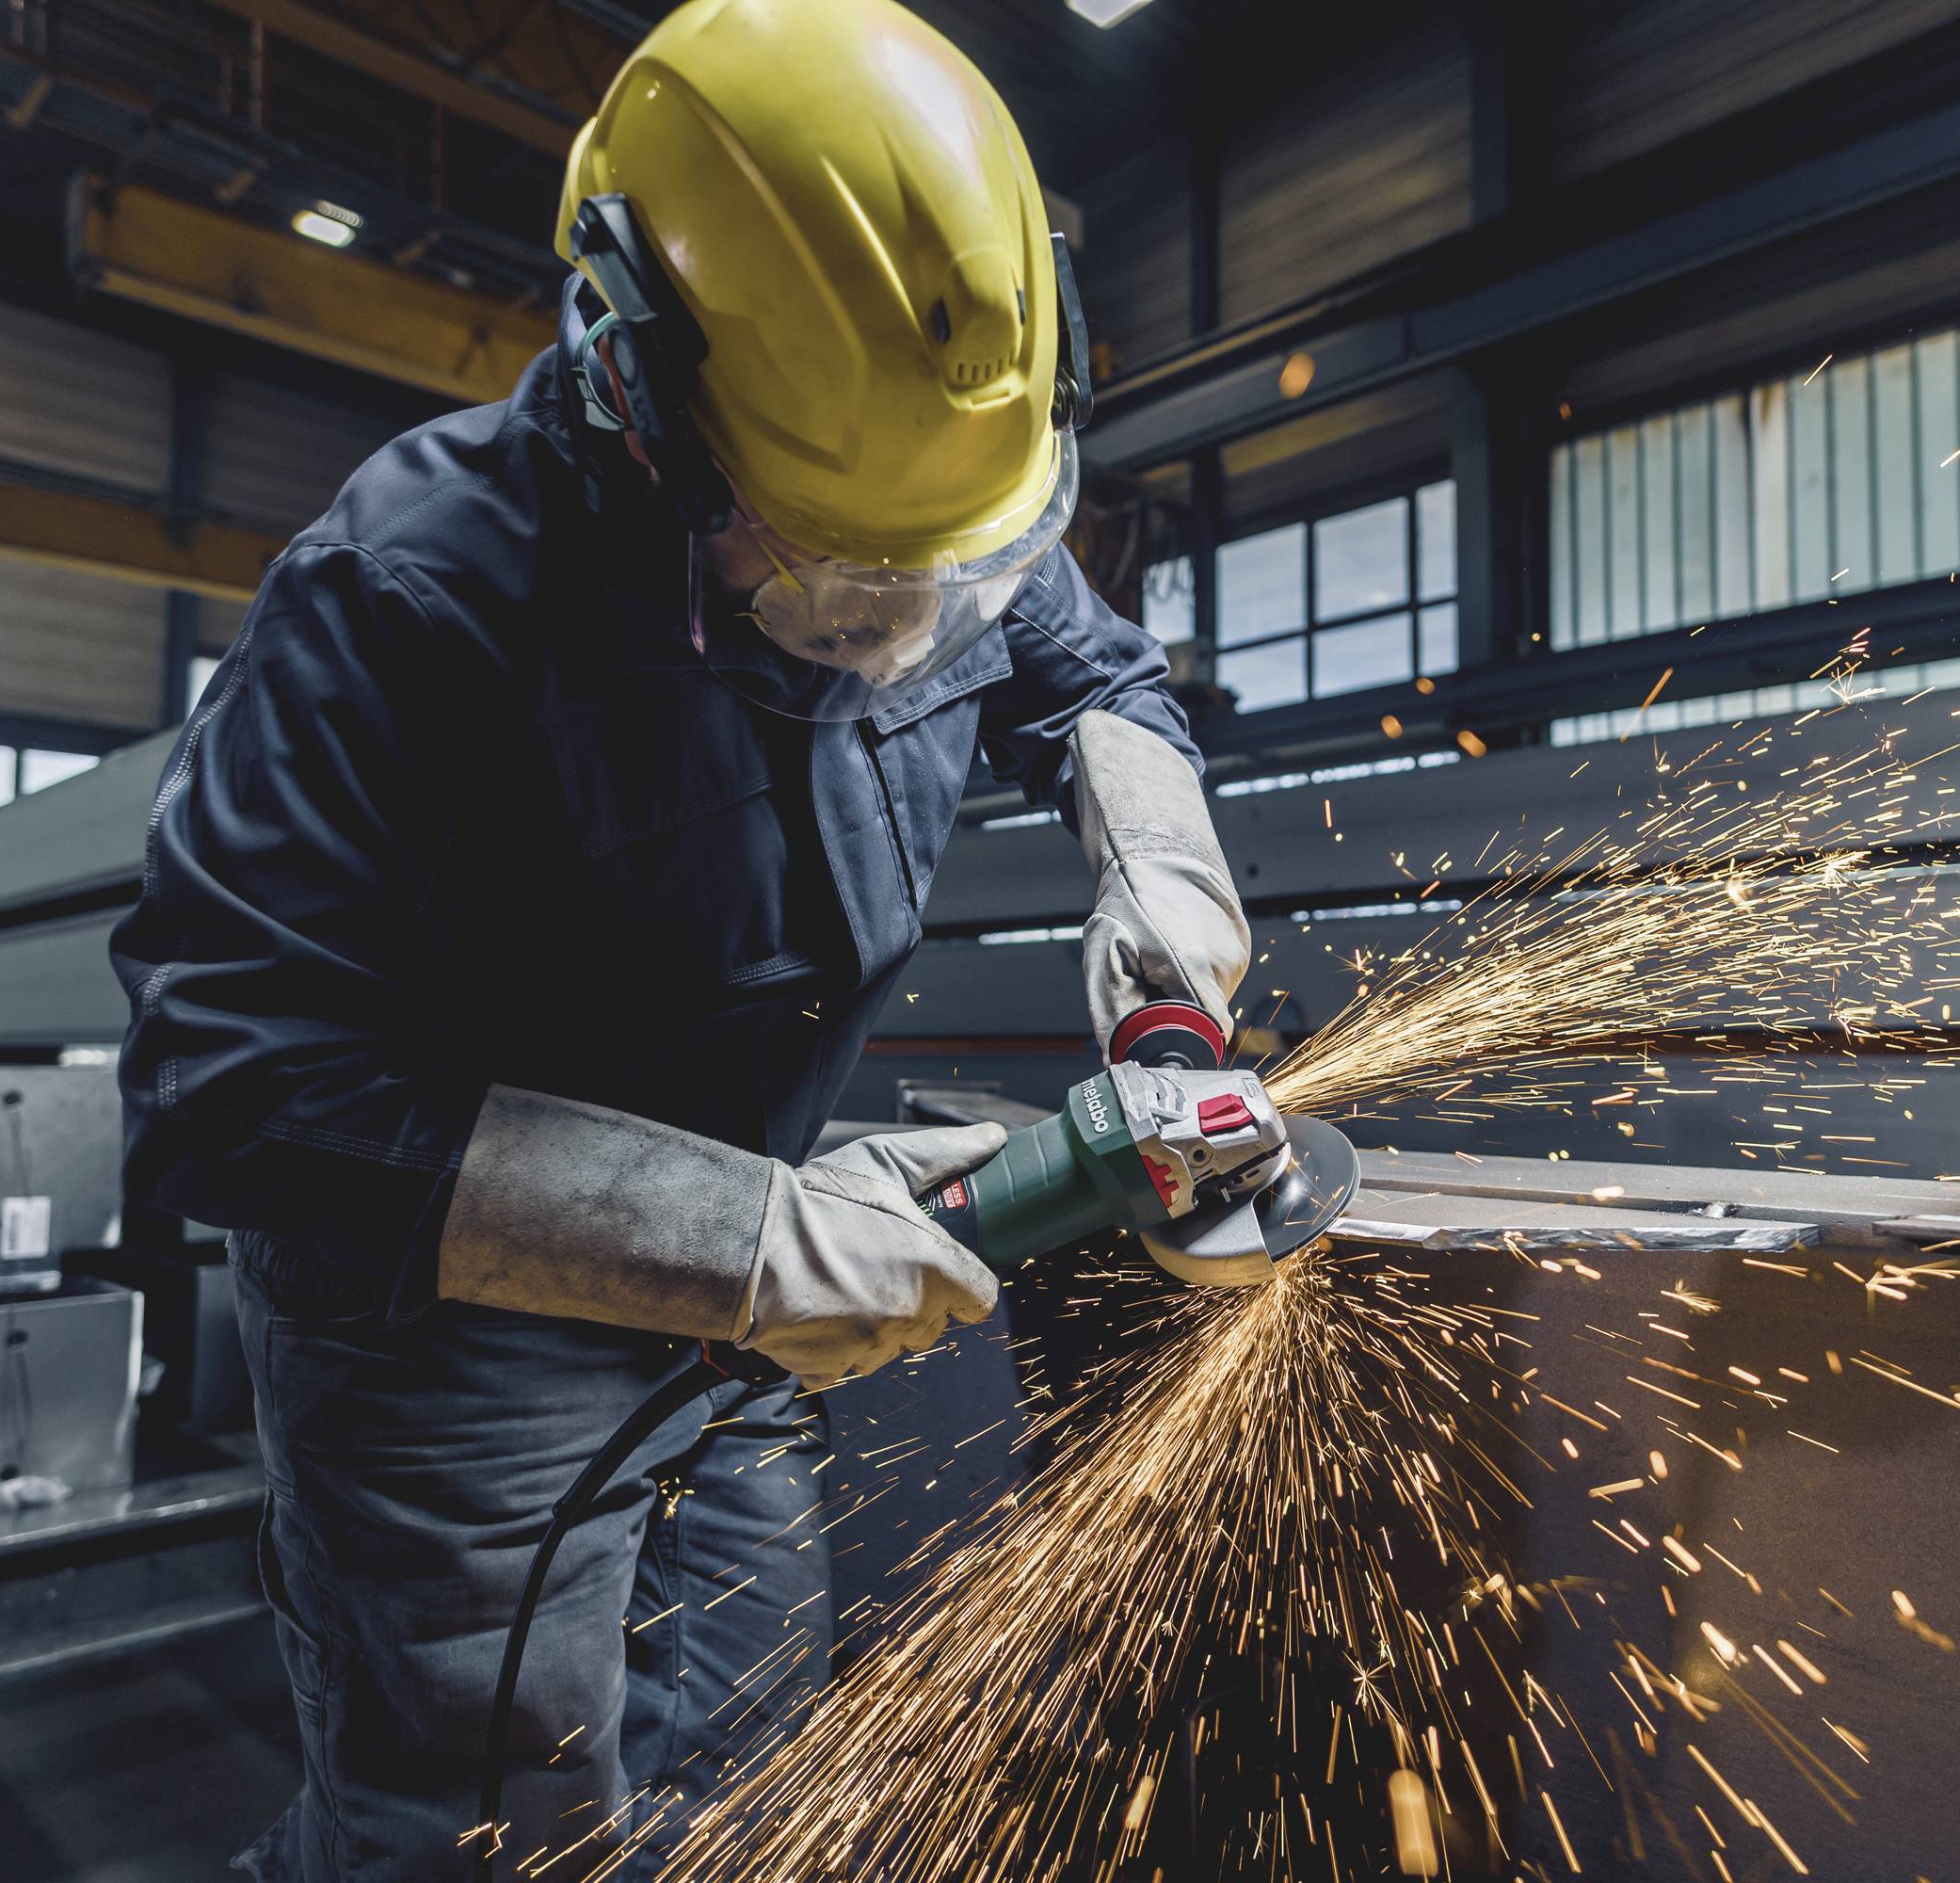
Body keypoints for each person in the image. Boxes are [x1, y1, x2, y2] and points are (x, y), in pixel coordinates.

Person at [107, 0, 1250, 1874]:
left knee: (745, 1764)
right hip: (452, 1352)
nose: (900, 632)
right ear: (636, 377)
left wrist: (1170, 947)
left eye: (942, 579)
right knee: (483, 1830)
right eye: (834, 575)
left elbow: (1093, 680)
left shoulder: (917, 483)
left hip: (740, 1301)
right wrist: (751, 1238)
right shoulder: (405, 600)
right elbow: (233, 1093)